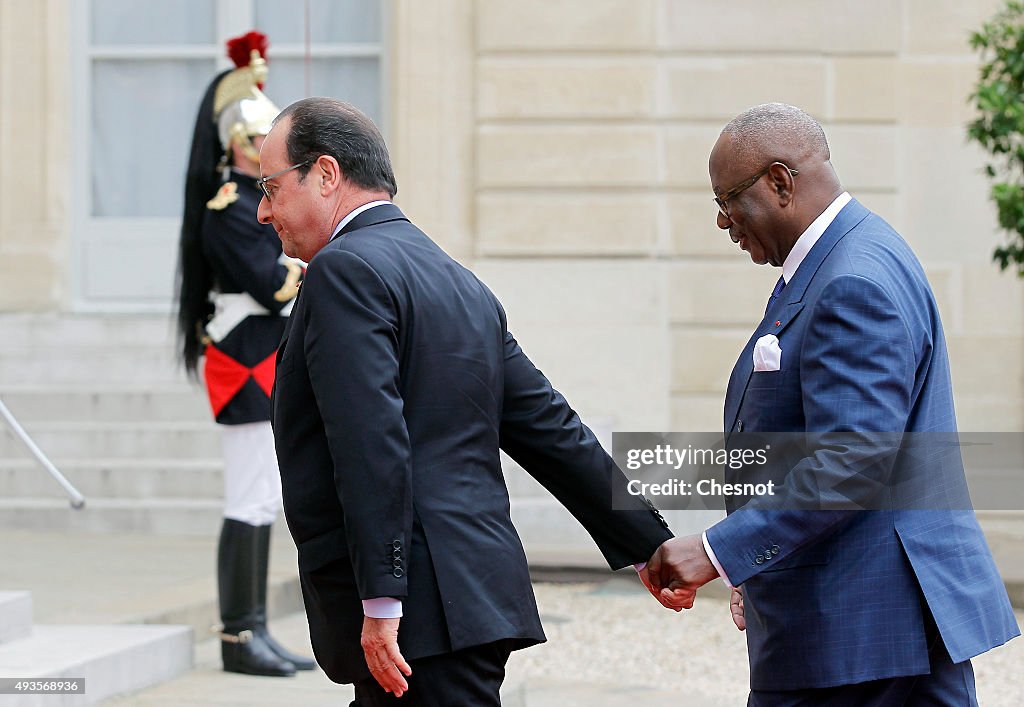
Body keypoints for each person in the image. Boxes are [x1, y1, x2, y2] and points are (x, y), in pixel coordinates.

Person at [257, 97, 674, 705]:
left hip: (414, 619)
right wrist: (646, 543)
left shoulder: (342, 272)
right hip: (468, 601)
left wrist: (381, 599)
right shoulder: (454, 277)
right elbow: (547, 425)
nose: (264, 211)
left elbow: (370, 441)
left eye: (271, 188)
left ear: (326, 174)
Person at [644, 103, 1020, 705]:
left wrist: (717, 551)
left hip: (865, 636)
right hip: (860, 630)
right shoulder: (841, 259)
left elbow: (851, 463)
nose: (722, 221)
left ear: (780, 182)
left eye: (728, 200)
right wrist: (759, 563)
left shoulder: (851, 279)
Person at [175, 31, 314, 678]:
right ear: (234, 141)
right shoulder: (229, 208)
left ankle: (253, 626)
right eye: (258, 139)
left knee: (264, 494)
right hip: (243, 360)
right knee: (249, 495)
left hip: (263, 354)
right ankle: (239, 634)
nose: (267, 151)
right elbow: (274, 284)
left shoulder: (254, 202)